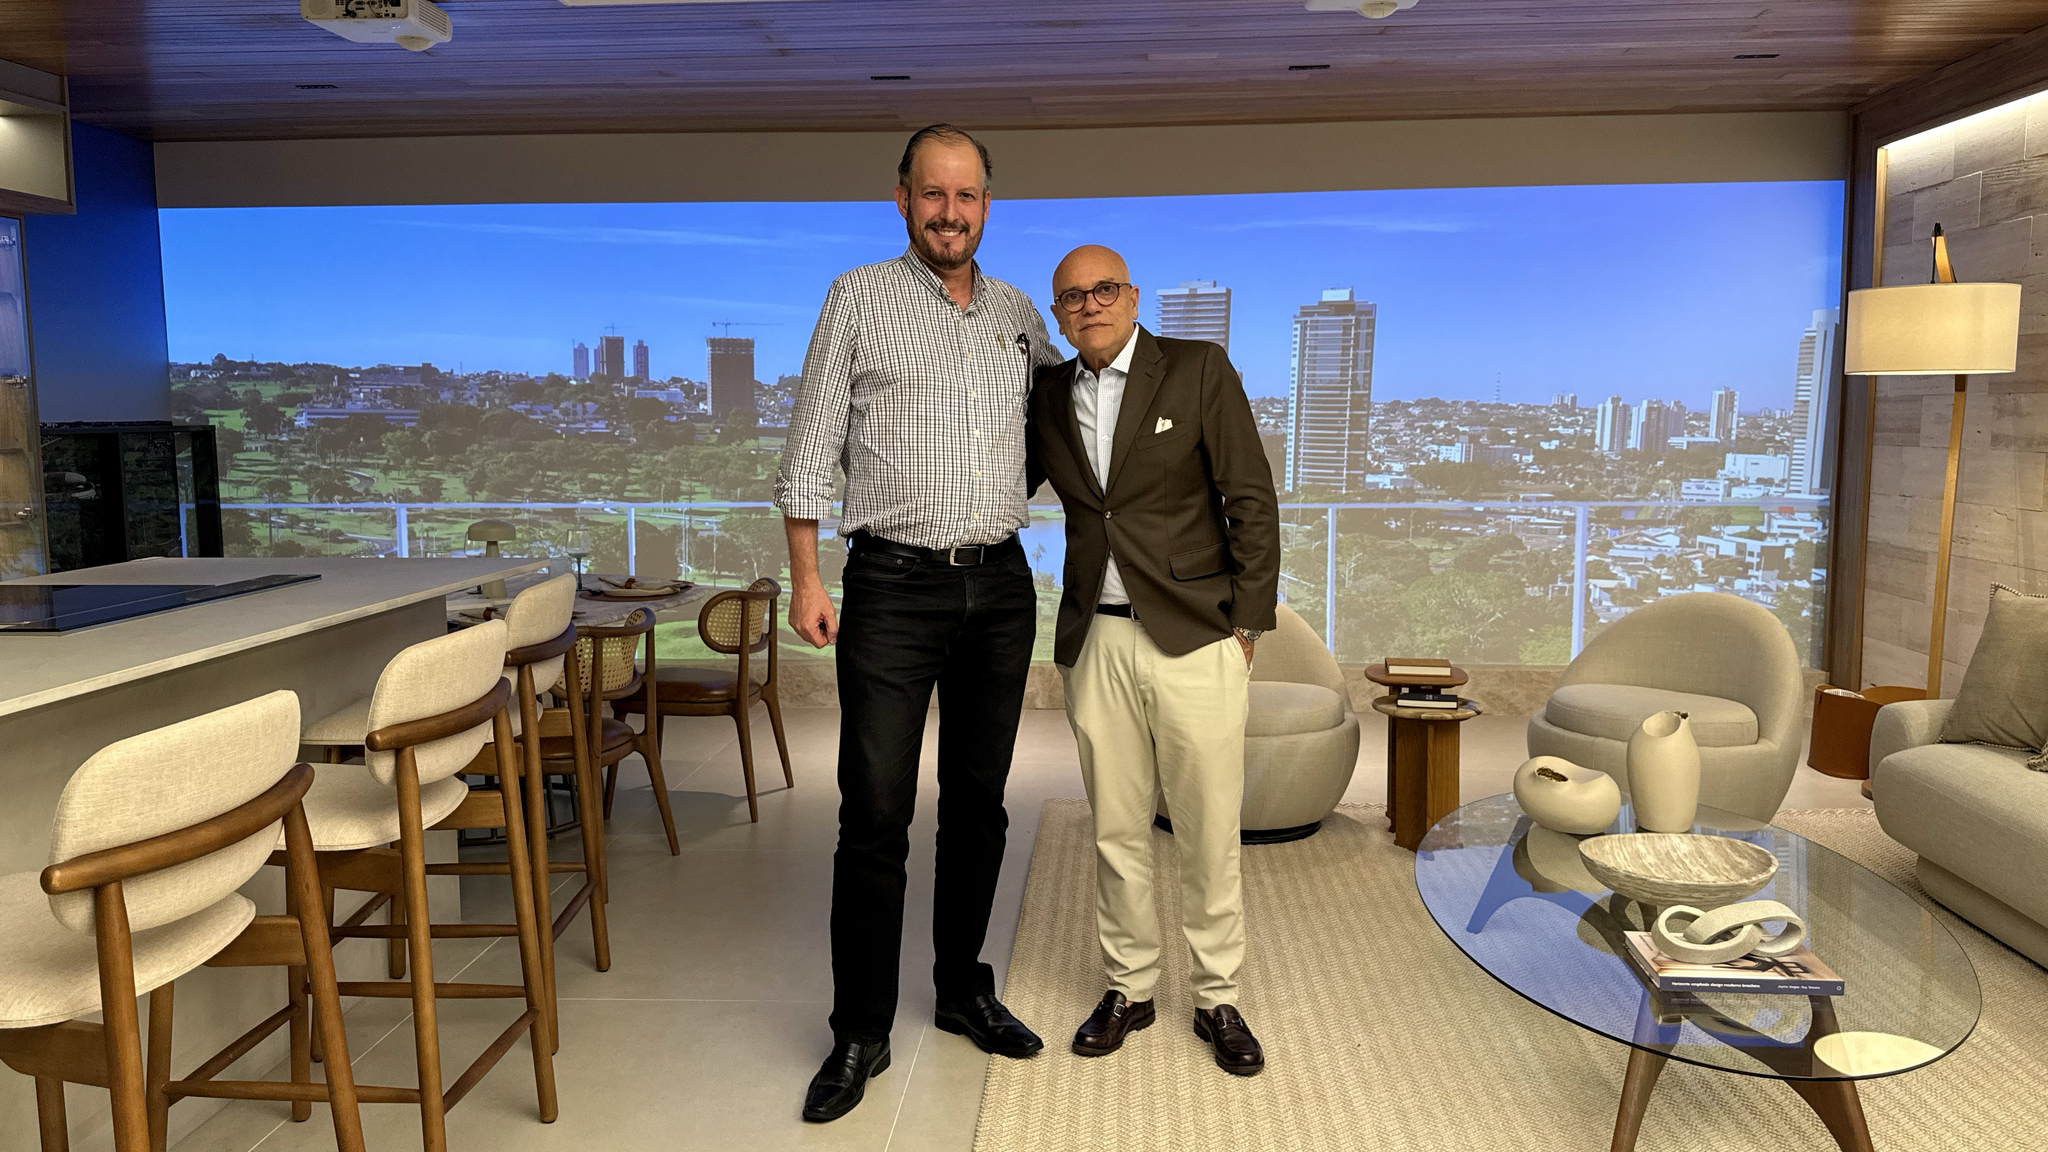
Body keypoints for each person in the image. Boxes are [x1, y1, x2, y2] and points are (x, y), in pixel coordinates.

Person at [775, 124, 1062, 1124]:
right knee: (874, 814)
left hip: (1000, 587)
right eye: (933, 194)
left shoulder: (1018, 313)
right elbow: (811, 444)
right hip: (891, 588)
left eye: (967, 196)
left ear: (987, 205)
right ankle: (859, 1029)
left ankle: (960, 990)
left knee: (979, 806)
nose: (950, 213)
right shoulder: (857, 296)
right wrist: (807, 578)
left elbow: (1060, 424)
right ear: (901, 197)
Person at [1024, 245, 1280, 1075]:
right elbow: (1009, 484)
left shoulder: (1197, 369)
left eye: (1105, 289)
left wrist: (1247, 623)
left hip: (1196, 636)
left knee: (1208, 828)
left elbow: (1250, 497)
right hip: (1094, 639)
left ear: (1132, 298)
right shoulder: (1048, 394)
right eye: (1073, 297)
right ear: (1059, 315)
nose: (1090, 305)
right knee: (1116, 828)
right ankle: (1129, 988)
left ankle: (1218, 997)